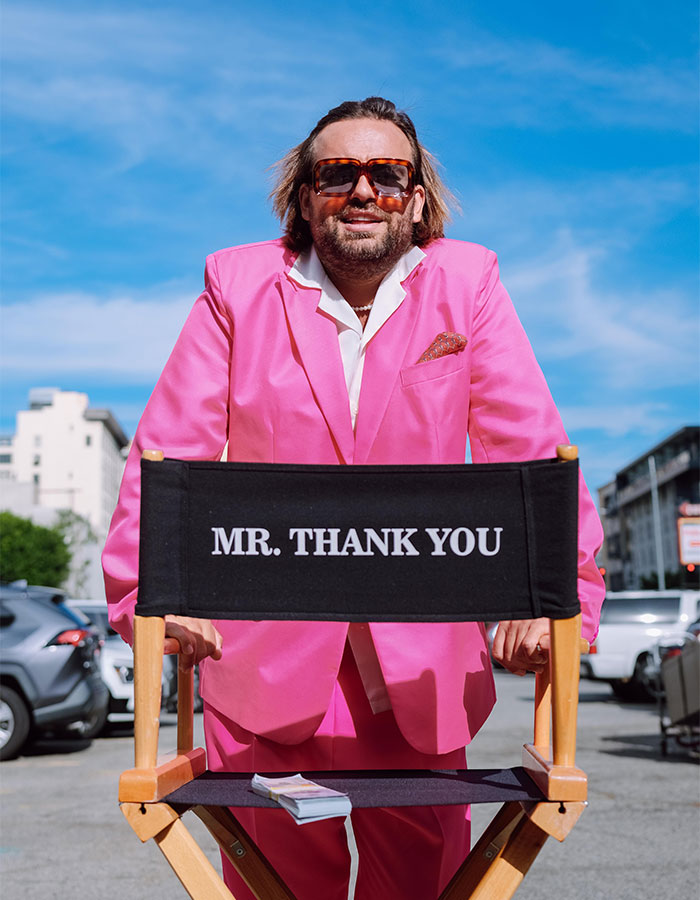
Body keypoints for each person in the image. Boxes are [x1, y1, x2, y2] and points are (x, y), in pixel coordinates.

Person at [103, 96, 604, 900]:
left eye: (387, 174)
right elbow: (167, 450)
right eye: (338, 174)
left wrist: (561, 600)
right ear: (305, 196)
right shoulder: (238, 284)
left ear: (415, 195)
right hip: (260, 663)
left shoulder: (467, 282)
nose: (363, 191)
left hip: (421, 672)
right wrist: (147, 597)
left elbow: (533, 447)